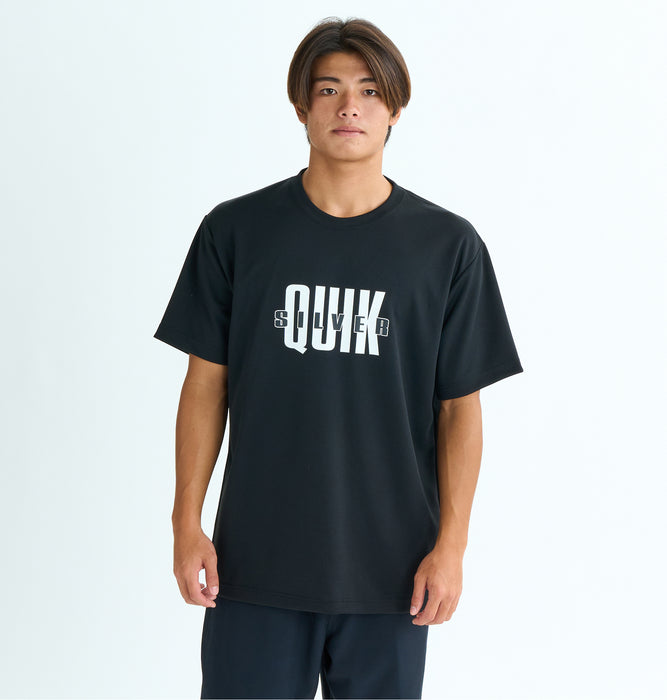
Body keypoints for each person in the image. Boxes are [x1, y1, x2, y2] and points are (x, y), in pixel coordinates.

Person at [153, 15, 523, 700]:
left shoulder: (447, 248)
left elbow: (459, 411)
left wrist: (451, 548)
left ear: (395, 109)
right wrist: (185, 523)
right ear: (301, 107)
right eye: (328, 89)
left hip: (394, 575)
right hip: (253, 567)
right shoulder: (235, 231)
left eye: (369, 91)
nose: (349, 106)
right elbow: (205, 385)